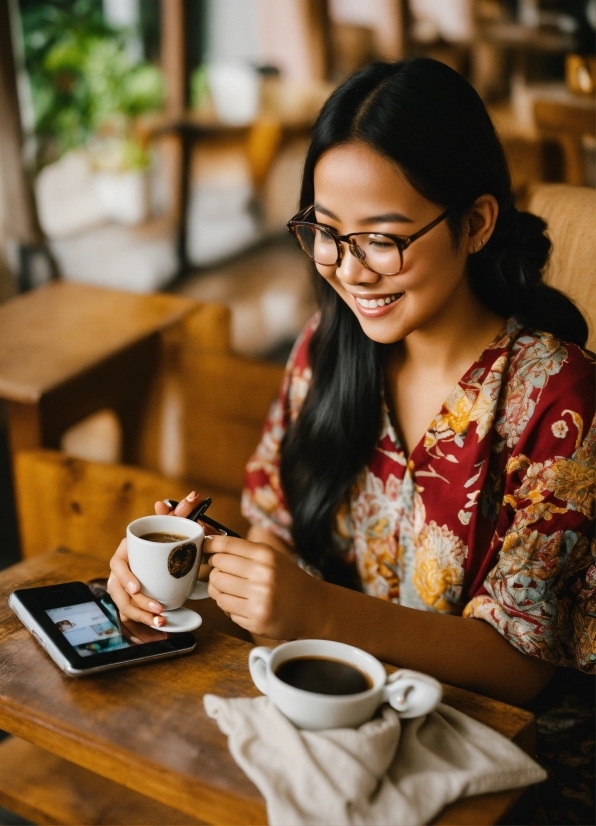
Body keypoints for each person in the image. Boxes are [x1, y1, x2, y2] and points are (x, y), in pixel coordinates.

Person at [108, 58, 595, 706]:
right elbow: (275, 525)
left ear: (476, 223)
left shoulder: (560, 399)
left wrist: (319, 613)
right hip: (325, 707)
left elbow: (520, 662)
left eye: (381, 240)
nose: (349, 271)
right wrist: (185, 568)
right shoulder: (326, 344)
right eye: (328, 233)